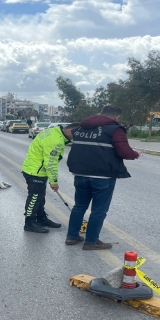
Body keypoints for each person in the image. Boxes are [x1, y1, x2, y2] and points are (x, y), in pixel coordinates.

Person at [65, 105, 141, 250]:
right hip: (103, 176)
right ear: (117, 117)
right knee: (98, 210)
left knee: (79, 206)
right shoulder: (114, 130)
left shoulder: (81, 128)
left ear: (100, 113)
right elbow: (125, 152)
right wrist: (135, 154)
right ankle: (91, 241)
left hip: (80, 174)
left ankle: (72, 236)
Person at [21, 122, 79, 233]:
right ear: (69, 131)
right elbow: (50, 163)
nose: (75, 138)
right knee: (34, 198)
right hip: (35, 171)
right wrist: (54, 182)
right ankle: (29, 223)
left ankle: (41, 218)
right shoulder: (56, 141)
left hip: (35, 168)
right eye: (75, 135)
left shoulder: (54, 131)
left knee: (40, 197)